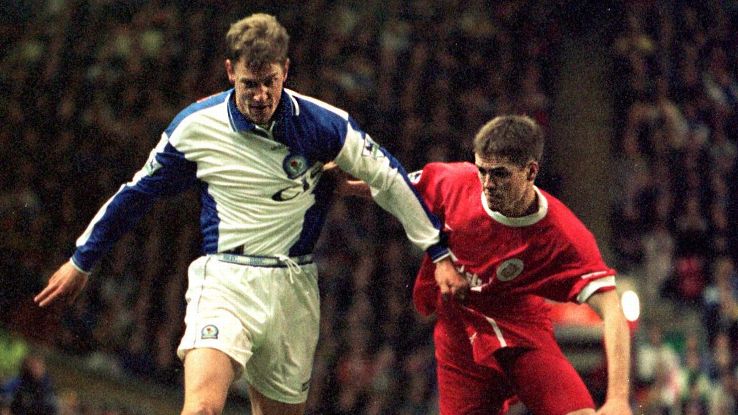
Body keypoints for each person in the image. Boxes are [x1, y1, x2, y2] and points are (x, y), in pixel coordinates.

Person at [33, 13, 466, 415]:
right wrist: (81, 260)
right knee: (202, 408)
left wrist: (439, 252)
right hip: (224, 281)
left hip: (293, 288)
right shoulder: (196, 127)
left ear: (286, 71)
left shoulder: (324, 125)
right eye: (249, 84)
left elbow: (390, 177)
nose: (260, 95)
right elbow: (136, 194)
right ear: (229, 72)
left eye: (270, 82)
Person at [342, 115, 632, 415]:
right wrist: (348, 186)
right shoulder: (453, 182)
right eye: (482, 171)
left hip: (522, 335)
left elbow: (611, 308)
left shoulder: (563, 235)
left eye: (500, 174)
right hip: (459, 344)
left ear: (531, 171)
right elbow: (397, 186)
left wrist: (619, 399)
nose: (488, 184)